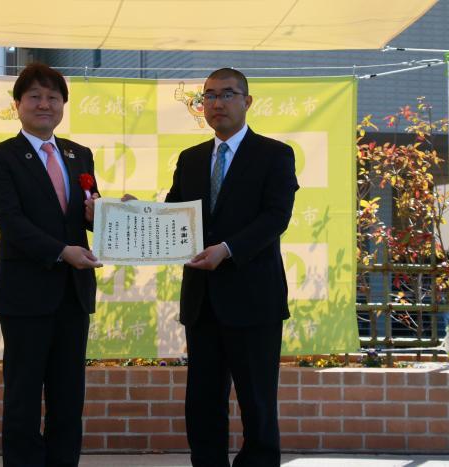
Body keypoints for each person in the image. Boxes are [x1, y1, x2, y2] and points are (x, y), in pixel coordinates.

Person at [166, 68, 299, 466]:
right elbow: (175, 216)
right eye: (208, 96)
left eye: (227, 94)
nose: (217, 103)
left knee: (257, 402)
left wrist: (226, 249)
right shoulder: (190, 159)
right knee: (203, 402)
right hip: (202, 301)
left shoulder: (275, 154)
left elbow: (276, 217)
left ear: (247, 101)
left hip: (255, 299)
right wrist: (134, 212)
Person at [0, 62, 101, 467]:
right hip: (26, 295)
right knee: (23, 398)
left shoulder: (78, 154)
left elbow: (89, 214)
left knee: (69, 398)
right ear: (17, 104)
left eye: (53, 97)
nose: (44, 104)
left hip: (74, 292)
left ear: (63, 105)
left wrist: (101, 216)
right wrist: (61, 251)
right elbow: (10, 221)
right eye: (35, 96)